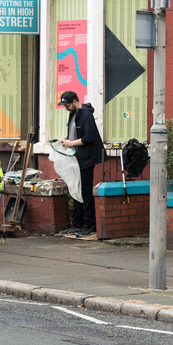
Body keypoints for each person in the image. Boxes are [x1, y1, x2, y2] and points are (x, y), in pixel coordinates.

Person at [57, 91, 104, 236]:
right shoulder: (73, 114)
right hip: (76, 158)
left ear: (75, 101)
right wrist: (67, 138)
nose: (65, 107)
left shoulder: (86, 115)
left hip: (86, 159)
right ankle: (76, 224)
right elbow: (76, 133)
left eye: (67, 104)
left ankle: (88, 225)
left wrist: (71, 142)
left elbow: (89, 137)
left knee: (85, 192)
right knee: (75, 190)